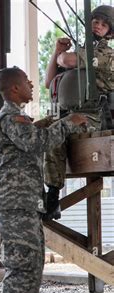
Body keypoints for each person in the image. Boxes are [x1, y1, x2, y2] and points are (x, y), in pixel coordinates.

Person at [0, 67, 87, 293]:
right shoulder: (12, 117)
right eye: (26, 81)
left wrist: (47, 123)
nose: (32, 84)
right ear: (14, 88)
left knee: (30, 266)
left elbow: (32, 136)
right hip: (16, 202)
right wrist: (67, 123)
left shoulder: (13, 117)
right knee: (22, 268)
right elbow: (37, 143)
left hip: (21, 202)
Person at [43, 5, 114, 219]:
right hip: (67, 113)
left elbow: (67, 61)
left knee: (55, 132)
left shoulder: (104, 53)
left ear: (109, 32)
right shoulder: (83, 51)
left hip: (92, 116)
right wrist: (57, 50)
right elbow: (49, 82)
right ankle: (22, 196)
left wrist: (62, 56)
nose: (98, 25)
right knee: (25, 131)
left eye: (104, 24)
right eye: (95, 21)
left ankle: (52, 199)